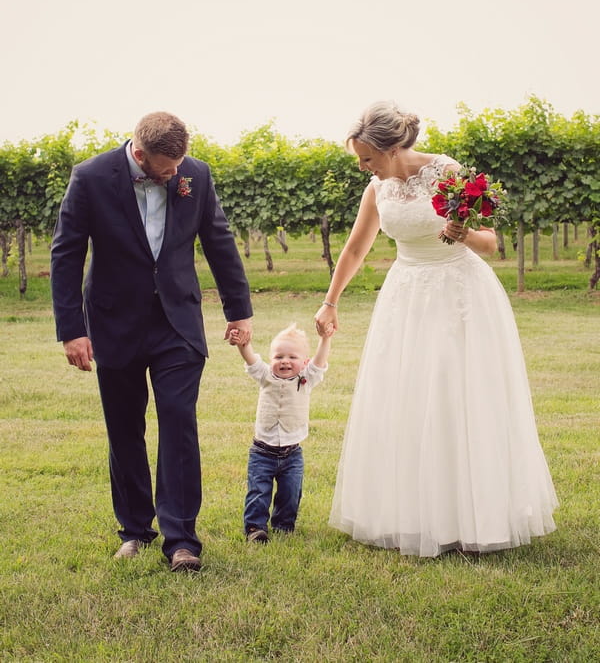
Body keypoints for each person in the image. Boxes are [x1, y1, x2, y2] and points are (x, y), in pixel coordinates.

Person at [314, 100, 558, 557]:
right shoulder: (376, 189)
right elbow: (353, 251)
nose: (364, 167)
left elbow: (490, 242)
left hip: (460, 292)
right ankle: (415, 514)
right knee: (408, 397)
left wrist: (461, 231)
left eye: (368, 158)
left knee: (459, 394)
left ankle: (473, 517)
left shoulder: (448, 173)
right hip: (406, 296)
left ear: (390, 147)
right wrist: (330, 302)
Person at [51, 111, 253, 572]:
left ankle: (182, 540)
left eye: (181, 163)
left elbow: (218, 239)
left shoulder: (195, 173)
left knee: (179, 421)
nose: (177, 174)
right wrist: (71, 329)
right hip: (113, 323)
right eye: (167, 167)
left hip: (177, 322)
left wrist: (238, 310)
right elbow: (66, 253)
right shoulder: (90, 177)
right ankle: (135, 530)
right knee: (125, 429)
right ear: (139, 154)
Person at [230, 322, 332, 542]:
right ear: (271, 360)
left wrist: (325, 339)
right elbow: (251, 361)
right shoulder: (266, 376)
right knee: (258, 491)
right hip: (262, 452)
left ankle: (284, 526)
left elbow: (319, 363)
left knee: (290, 493)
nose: (285, 361)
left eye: (292, 357)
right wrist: (243, 344)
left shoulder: (306, 380)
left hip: (292, 454)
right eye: (278, 357)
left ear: (304, 362)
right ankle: (255, 528)